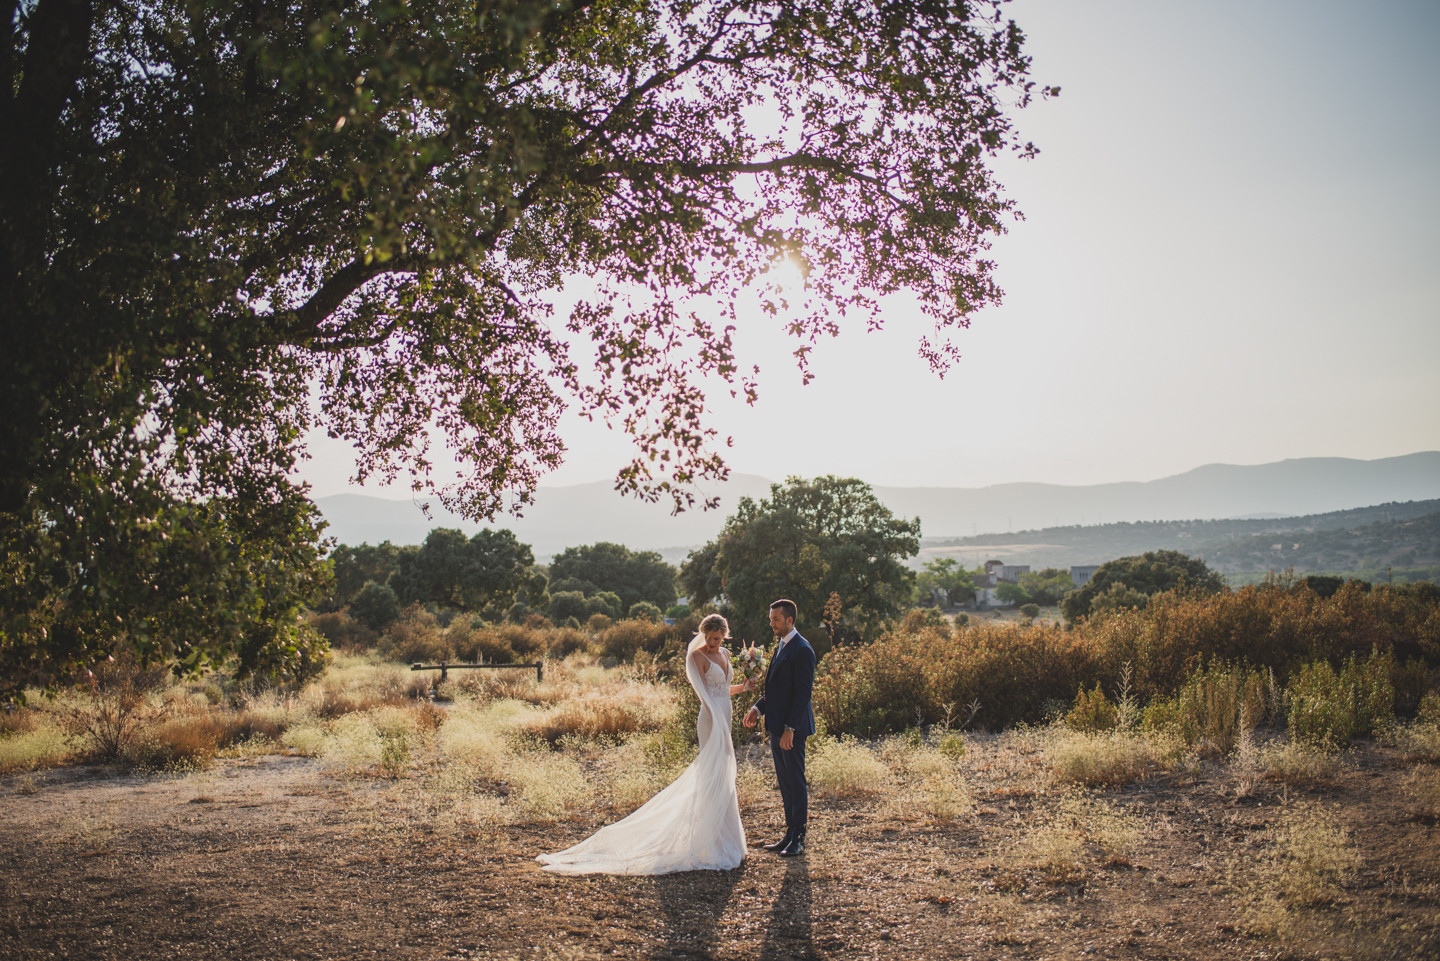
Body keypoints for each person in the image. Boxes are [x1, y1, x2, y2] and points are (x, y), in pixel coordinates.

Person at [536, 613, 754, 875]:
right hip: (711, 719)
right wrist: (717, 722)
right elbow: (704, 694)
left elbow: (724, 689)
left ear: (725, 636)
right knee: (711, 773)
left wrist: (744, 686)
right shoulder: (697, 657)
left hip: (725, 715)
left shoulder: (727, 656)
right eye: (708, 638)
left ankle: (726, 837)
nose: (712, 643)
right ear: (702, 635)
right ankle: (708, 839)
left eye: (717, 639)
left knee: (725, 773)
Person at [742, 598, 816, 858]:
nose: (771, 623)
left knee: (796, 782)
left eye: (775, 619)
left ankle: (799, 838)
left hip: (790, 730)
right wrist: (757, 708)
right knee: (785, 783)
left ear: (789, 620)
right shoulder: (782, 646)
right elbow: (776, 690)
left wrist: (790, 728)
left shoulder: (802, 649)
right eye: (770, 618)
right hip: (777, 727)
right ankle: (789, 833)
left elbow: (802, 694)